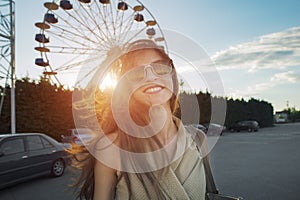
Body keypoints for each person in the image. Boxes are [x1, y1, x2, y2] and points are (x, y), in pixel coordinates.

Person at [72, 39, 206, 200]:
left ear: (172, 74)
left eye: (160, 67)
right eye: (136, 72)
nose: (150, 76)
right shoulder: (111, 147)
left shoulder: (198, 139)